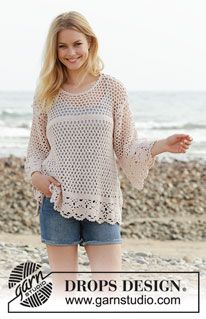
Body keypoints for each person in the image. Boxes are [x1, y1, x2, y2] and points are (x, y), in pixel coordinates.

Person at [24, 11, 193, 297]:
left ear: (90, 43)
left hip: (102, 201)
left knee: (108, 294)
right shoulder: (47, 94)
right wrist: (38, 178)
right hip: (57, 201)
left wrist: (162, 145)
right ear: (54, 51)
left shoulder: (112, 89)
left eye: (77, 43)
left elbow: (127, 147)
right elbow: (37, 150)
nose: (71, 52)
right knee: (65, 296)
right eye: (62, 46)